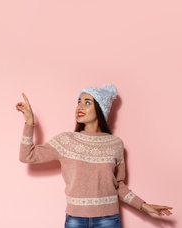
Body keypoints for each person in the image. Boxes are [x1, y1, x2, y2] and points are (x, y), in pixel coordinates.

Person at [15, 84, 172, 228]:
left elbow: (118, 186)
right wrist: (29, 123)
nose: (80, 107)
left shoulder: (115, 144)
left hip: (108, 220)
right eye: (79, 101)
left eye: (87, 102)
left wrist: (144, 205)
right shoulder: (66, 140)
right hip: (75, 219)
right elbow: (27, 156)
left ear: (100, 108)